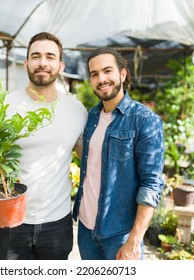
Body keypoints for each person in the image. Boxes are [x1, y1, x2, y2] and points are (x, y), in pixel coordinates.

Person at [0, 32, 88, 260]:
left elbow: (88, 161)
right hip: (9, 219)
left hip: (57, 222)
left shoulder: (76, 110)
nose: (43, 62)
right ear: (26, 64)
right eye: (36, 56)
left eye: (50, 57)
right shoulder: (3, 106)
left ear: (60, 66)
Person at [72, 47, 164, 260]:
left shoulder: (145, 121)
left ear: (122, 74)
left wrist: (134, 240)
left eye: (107, 71)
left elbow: (151, 185)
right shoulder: (92, 116)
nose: (101, 79)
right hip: (86, 230)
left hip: (120, 235)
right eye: (94, 74)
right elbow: (92, 160)